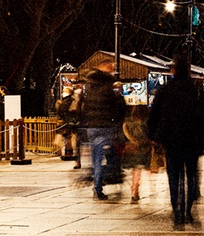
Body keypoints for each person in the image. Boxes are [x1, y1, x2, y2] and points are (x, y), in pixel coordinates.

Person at [147, 53, 204, 230]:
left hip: (172, 140)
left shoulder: (165, 90)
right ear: (189, 70)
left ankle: (177, 212)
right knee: (191, 175)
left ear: (174, 70)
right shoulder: (196, 90)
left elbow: (153, 115)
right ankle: (189, 211)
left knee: (174, 176)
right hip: (192, 139)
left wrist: (153, 135)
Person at [81, 66, 126, 200]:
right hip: (106, 127)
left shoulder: (88, 91)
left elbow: (83, 109)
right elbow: (119, 108)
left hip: (91, 128)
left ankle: (96, 176)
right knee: (106, 156)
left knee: (96, 157)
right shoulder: (108, 91)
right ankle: (99, 186)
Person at [122, 104, 151, 203]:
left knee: (136, 170)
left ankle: (134, 190)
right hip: (143, 150)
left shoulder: (127, 123)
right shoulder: (145, 124)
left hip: (132, 149)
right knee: (142, 169)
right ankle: (136, 189)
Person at [56, 85, 83, 168]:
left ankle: (70, 155)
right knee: (72, 141)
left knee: (69, 140)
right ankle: (74, 157)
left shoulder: (67, 101)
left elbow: (62, 112)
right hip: (72, 123)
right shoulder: (73, 101)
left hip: (69, 123)